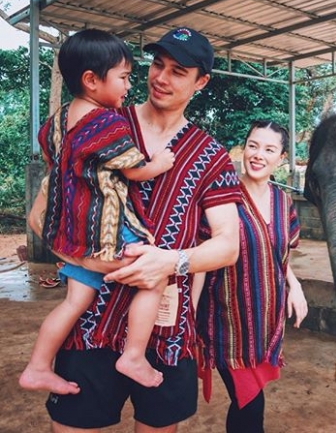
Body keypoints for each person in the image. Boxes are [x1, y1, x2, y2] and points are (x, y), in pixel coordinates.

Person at [28, 26, 242, 432]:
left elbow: (227, 246)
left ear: (202, 82)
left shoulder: (210, 155)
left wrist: (168, 262)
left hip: (165, 333)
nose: (160, 77)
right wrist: (82, 258)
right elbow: (41, 216)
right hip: (90, 324)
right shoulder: (96, 122)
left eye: (178, 71)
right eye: (157, 65)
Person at [20, 29, 176, 395]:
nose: (128, 85)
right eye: (123, 77)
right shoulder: (106, 122)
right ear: (92, 80)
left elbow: (51, 159)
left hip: (71, 232)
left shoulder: (56, 122)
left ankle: (38, 366)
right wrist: (161, 162)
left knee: (76, 300)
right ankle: (133, 355)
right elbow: (134, 169)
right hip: (107, 231)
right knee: (154, 278)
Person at [196, 119, 308, 433]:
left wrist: (295, 287)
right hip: (226, 325)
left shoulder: (283, 202)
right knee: (250, 403)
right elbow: (201, 258)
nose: (258, 155)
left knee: (248, 403)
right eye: (253, 146)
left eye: (269, 149)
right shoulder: (222, 196)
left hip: (265, 325)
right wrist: (187, 315)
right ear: (244, 149)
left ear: (282, 158)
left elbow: (280, 256)